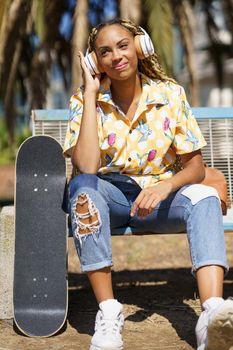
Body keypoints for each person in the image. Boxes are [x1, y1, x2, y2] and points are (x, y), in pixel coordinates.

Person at [63, 19, 233, 350]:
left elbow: (195, 168)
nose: (116, 56)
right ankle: (109, 313)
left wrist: (165, 187)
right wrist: (92, 93)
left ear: (140, 47)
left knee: (203, 196)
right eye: (105, 52)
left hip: (161, 200)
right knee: (84, 189)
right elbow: (86, 166)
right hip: (108, 198)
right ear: (95, 60)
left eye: (123, 46)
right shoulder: (84, 100)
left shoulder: (170, 94)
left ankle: (211, 314)